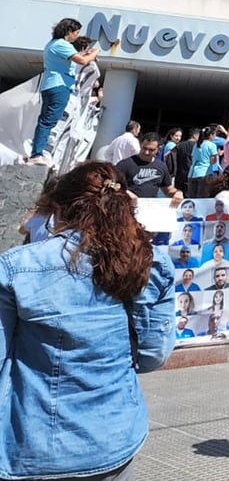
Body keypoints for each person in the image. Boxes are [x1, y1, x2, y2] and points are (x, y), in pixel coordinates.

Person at [0, 161, 175, 479]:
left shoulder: (17, 268)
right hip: (118, 437)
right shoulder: (151, 262)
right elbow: (152, 355)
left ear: (59, 209)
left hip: (38, 447)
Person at [27, 17, 101, 165]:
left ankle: (37, 152)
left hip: (51, 85)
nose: (77, 36)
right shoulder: (62, 44)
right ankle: (37, 154)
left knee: (46, 120)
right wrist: (95, 52)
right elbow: (82, 61)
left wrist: (87, 55)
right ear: (69, 31)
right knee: (50, 121)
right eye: (76, 32)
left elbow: (78, 58)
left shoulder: (53, 44)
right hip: (59, 86)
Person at [116, 131, 180, 201]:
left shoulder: (161, 166)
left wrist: (177, 193)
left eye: (151, 150)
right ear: (140, 145)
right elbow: (111, 184)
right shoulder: (125, 164)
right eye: (144, 148)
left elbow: (168, 190)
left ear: (159, 149)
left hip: (149, 208)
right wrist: (127, 193)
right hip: (127, 207)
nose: (146, 152)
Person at [188, 126, 221, 196]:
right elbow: (213, 161)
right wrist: (217, 155)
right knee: (202, 198)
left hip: (192, 173)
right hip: (205, 174)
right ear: (211, 135)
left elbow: (192, 157)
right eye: (215, 135)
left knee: (191, 198)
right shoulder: (212, 145)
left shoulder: (196, 144)